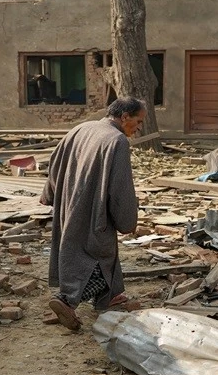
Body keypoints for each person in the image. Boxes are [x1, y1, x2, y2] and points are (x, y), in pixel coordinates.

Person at [39, 97, 145, 330]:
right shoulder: (117, 140)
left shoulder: (80, 129)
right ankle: (67, 299)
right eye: (138, 121)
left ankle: (108, 297)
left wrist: (50, 194)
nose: (138, 128)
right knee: (97, 255)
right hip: (94, 209)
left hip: (69, 204)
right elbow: (120, 187)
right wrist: (127, 219)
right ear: (124, 117)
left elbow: (54, 163)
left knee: (79, 249)